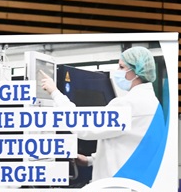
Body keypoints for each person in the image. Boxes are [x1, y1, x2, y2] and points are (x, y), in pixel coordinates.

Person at [40, 46, 161, 182]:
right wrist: (89, 160)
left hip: (117, 186)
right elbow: (130, 146)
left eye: (121, 67)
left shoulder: (128, 105)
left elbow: (81, 126)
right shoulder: (153, 103)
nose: (117, 71)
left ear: (137, 72)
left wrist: (55, 93)